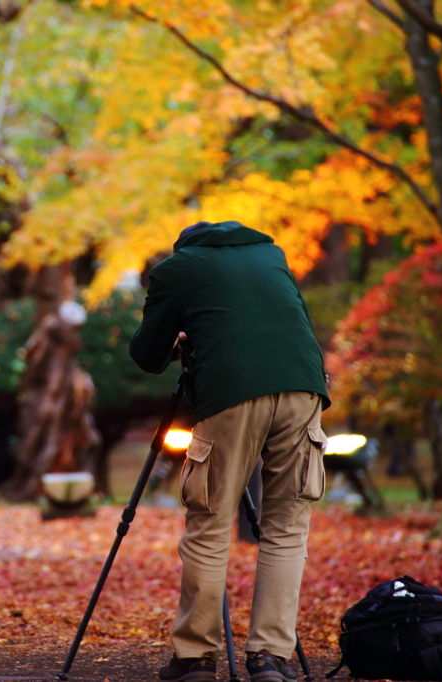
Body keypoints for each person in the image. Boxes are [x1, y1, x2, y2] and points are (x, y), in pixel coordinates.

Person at [130, 221, 330, 682]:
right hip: (304, 389)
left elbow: (147, 354)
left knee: (209, 521)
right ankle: (271, 658)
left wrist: (184, 334)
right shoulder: (272, 256)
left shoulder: (175, 268)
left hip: (231, 393)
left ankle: (195, 658)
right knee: (286, 528)